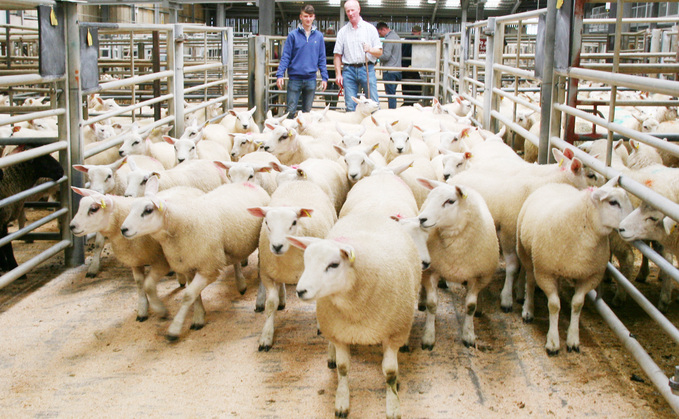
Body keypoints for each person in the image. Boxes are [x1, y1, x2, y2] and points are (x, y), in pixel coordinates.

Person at [276, 5, 328, 118]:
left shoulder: (319, 36)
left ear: (313, 17)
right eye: (305, 16)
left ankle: (303, 135)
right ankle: (288, 133)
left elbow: (322, 58)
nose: (308, 19)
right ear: (301, 17)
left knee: (307, 113)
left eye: (310, 16)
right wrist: (280, 74)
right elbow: (286, 56)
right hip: (295, 78)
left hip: (311, 79)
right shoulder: (293, 35)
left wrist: (324, 77)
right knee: (290, 110)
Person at [333, 0, 383, 112]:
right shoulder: (342, 32)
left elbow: (379, 51)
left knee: (374, 103)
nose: (350, 13)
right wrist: (338, 74)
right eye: (348, 11)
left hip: (367, 68)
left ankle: (374, 128)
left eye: (352, 10)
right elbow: (337, 55)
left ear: (359, 10)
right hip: (348, 70)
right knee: (350, 105)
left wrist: (370, 49)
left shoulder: (370, 29)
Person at [376, 22, 402, 109]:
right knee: (393, 94)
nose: (380, 35)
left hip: (389, 70)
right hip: (397, 69)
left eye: (380, 33)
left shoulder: (389, 39)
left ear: (384, 29)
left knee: (391, 95)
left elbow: (386, 56)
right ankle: (393, 110)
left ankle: (392, 112)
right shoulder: (396, 36)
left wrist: (376, 56)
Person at [401, 25, 422, 106]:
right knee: (416, 85)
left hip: (403, 66)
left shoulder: (406, 39)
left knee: (406, 84)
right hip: (411, 66)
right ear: (419, 32)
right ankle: (412, 102)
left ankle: (406, 102)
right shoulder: (415, 40)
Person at [324, 27, 338, 109]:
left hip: (328, 67)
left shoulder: (324, 43)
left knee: (328, 86)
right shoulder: (336, 43)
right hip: (333, 67)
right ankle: (333, 105)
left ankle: (328, 105)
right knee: (334, 86)